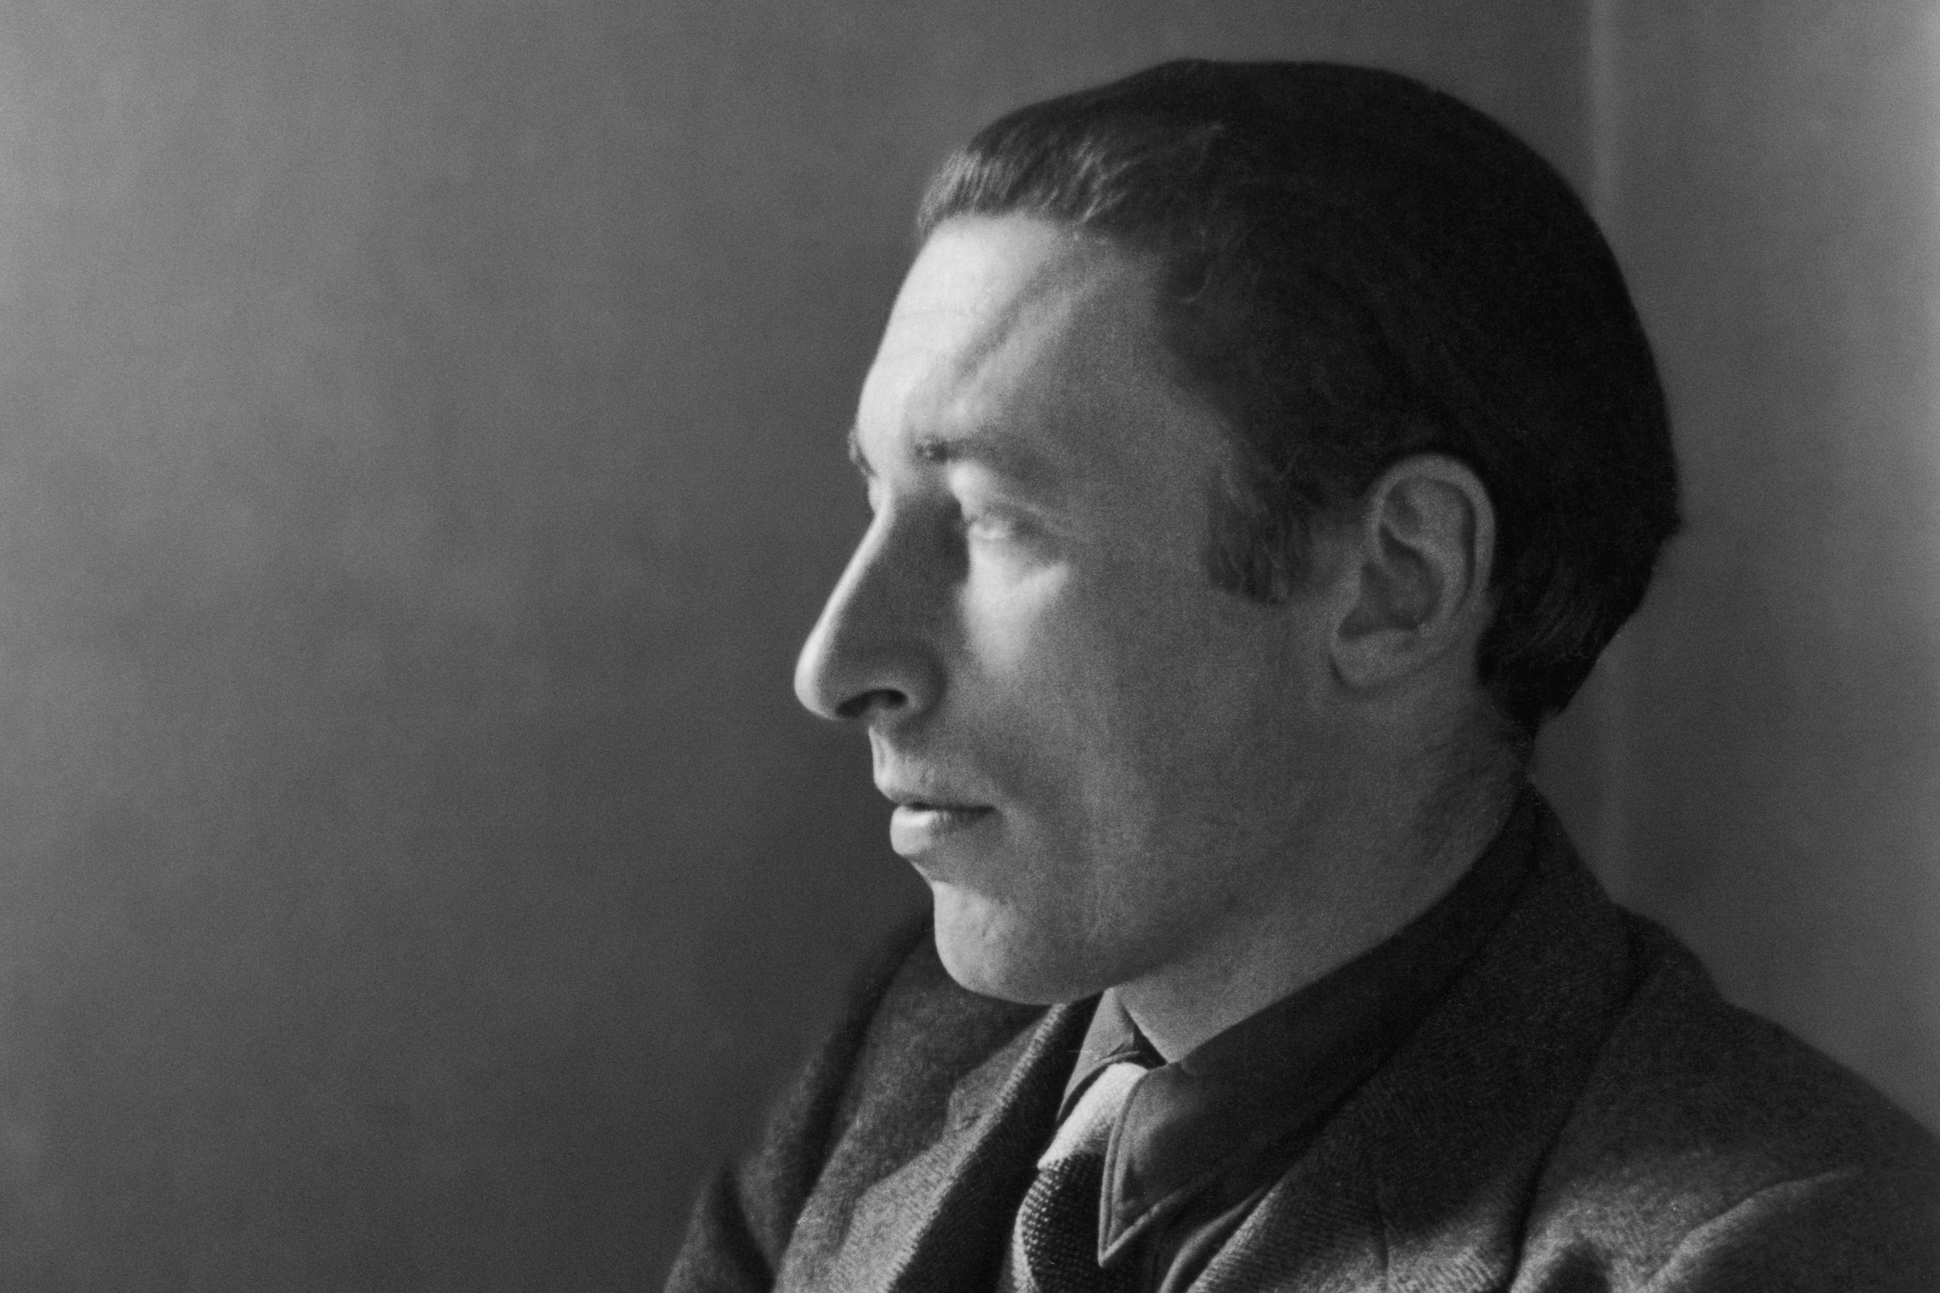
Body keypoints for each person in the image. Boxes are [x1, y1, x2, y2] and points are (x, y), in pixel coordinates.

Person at [666, 60, 1939, 1292]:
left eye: (994, 518)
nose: (835, 665)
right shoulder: (892, 1065)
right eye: (877, 496)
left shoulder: (1767, 1254)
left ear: (1396, 584)